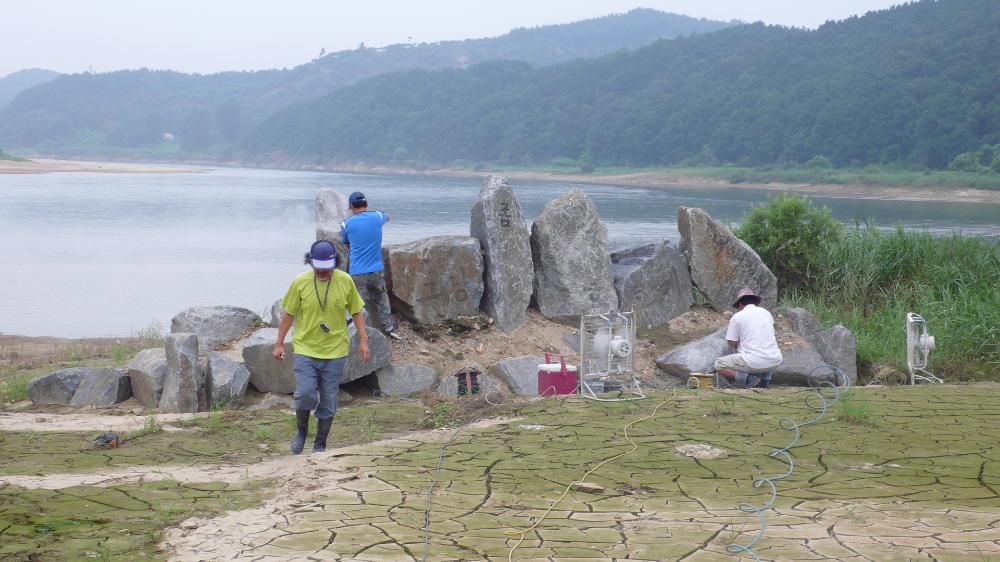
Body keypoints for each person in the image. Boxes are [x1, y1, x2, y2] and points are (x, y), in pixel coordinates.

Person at [274, 240, 369, 454]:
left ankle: (320, 443)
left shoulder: (345, 281)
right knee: (306, 393)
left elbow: (356, 311)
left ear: (334, 263)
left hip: (335, 350)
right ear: (310, 263)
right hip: (305, 348)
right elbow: (288, 313)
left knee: (328, 398)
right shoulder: (300, 282)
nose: (323, 272)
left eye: (327, 268)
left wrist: (363, 340)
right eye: (318, 268)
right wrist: (279, 342)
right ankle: (301, 431)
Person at [340, 191, 401, 340]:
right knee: (381, 296)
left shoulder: (346, 224)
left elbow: (347, 243)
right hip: (376, 269)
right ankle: (388, 328)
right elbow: (388, 216)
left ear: (351, 206)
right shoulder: (378, 217)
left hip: (357, 272)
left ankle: (353, 330)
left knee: (356, 302)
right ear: (366, 204)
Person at [714, 288, 783, 389]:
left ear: (741, 305)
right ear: (755, 302)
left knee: (719, 365)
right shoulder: (767, 313)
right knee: (764, 349)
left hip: (754, 362)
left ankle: (749, 379)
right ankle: (764, 382)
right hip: (775, 360)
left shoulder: (738, 316)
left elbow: (732, 342)